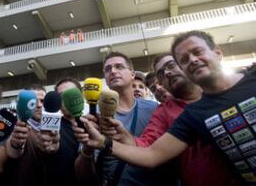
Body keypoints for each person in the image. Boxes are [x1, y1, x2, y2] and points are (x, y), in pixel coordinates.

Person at [73, 30, 256, 184]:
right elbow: (151, 152)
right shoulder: (188, 114)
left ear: (217, 52)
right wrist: (106, 142)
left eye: (172, 65)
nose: (192, 60)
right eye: (184, 59)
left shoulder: (251, 80)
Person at [102, 53, 238, 185]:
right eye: (161, 73)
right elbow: (148, 147)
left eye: (171, 65)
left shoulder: (226, 90)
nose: (167, 73)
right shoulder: (163, 112)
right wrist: (121, 139)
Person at [76, 52, 170, 186]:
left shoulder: (155, 108)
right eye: (108, 69)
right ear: (106, 78)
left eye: (119, 67)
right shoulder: (94, 117)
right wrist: (87, 148)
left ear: (132, 74)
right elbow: (84, 177)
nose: (113, 71)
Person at [0, 84, 60, 186]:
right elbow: (12, 150)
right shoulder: (12, 124)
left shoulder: (54, 127)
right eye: (33, 102)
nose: (39, 105)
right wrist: (16, 144)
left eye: (42, 101)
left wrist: (54, 146)